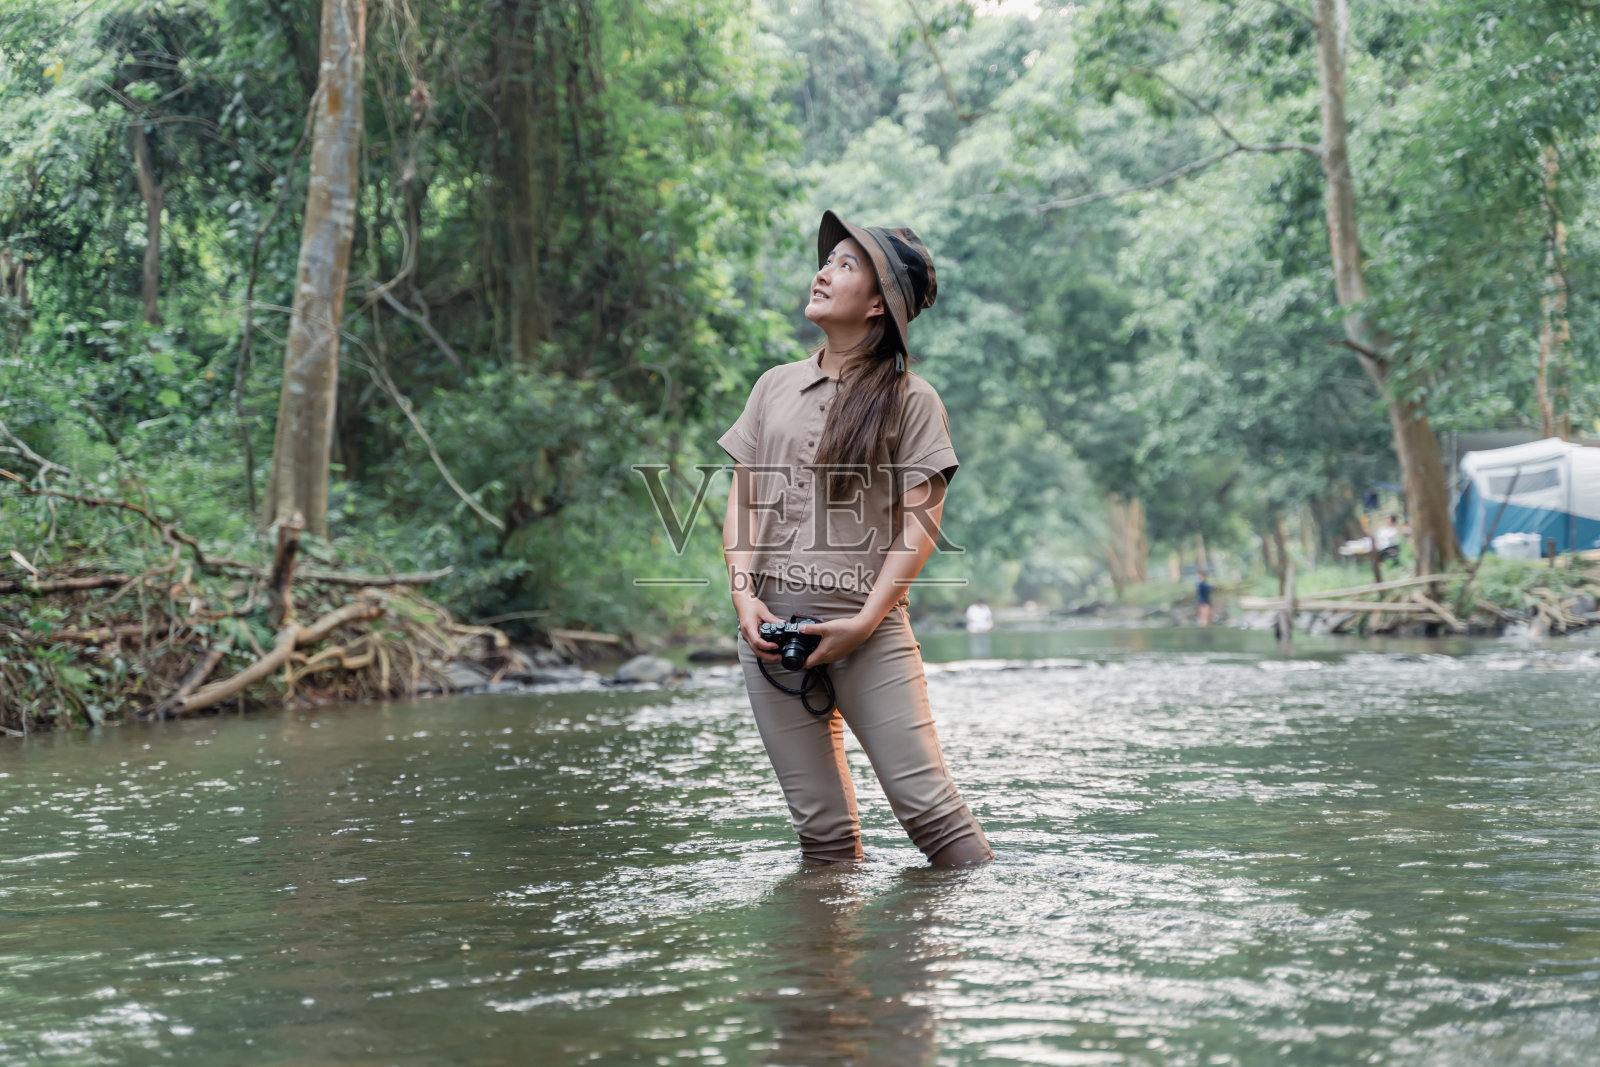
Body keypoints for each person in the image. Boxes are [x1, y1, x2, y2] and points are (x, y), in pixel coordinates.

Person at [718, 210, 993, 868]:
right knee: (823, 836)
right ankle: (822, 972)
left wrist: (864, 621)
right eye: (827, 259)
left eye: (845, 264)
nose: (822, 271)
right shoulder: (773, 385)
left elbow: (920, 527)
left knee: (933, 816)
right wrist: (743, 599)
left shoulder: (911, 399)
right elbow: (743, 499)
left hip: (870, 633)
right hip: (770, 637)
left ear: (877, 304)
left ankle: (957, 956)